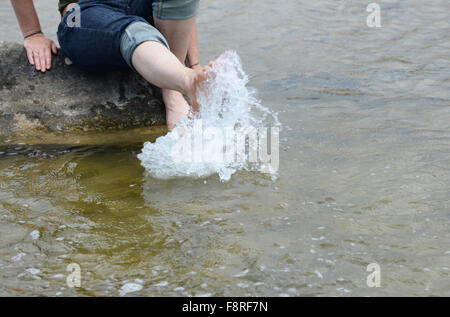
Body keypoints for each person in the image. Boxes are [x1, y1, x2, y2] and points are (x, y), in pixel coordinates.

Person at [11, 0, 212, 131]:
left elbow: (181, 10)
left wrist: (193, 62)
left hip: (143, 7)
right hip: (82, 13)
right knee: (134, 30)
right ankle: (183, 81)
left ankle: (174, 89)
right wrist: (32, 33)